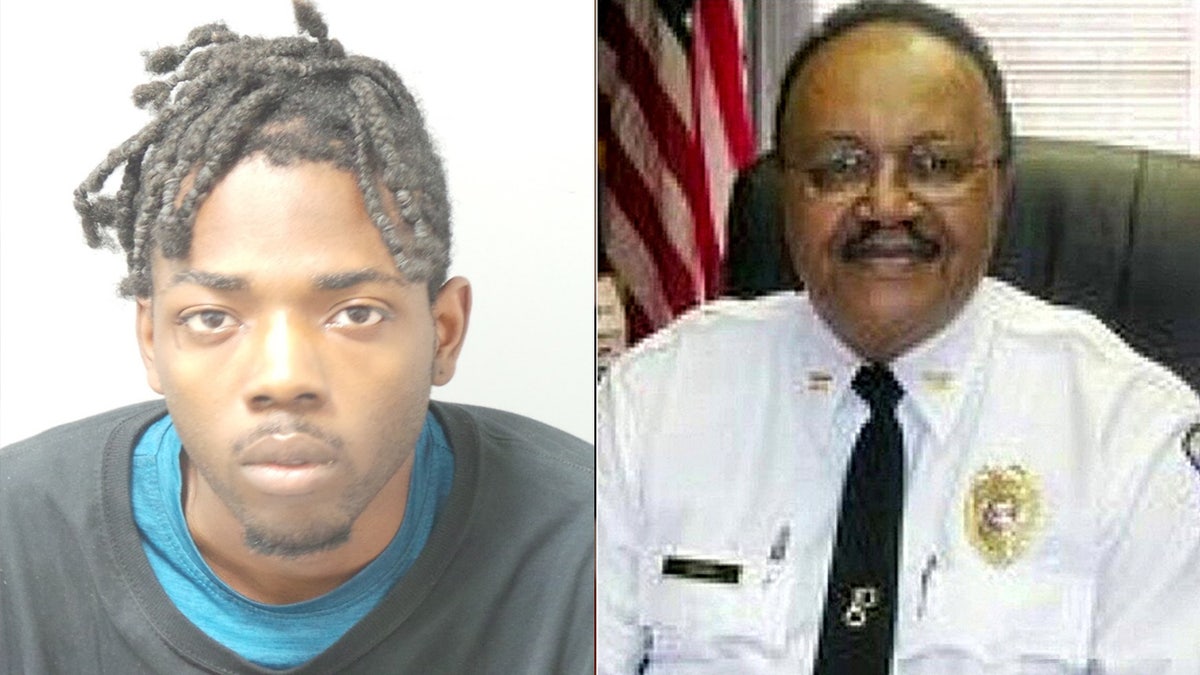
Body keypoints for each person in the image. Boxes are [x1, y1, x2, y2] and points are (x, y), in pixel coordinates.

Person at [597, 1, 1200, 673]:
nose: (886, 204)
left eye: (936, 165)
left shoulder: (1131, 434)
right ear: (786, 189)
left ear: (998, 189)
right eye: (840, 165)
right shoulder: (651, 404)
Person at [0, 2, 593, 672]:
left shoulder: (594, 542)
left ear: (445, 332)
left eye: (356, 312)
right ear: (151, 340)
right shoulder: (15, 547)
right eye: (212, 317)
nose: (283, 376)